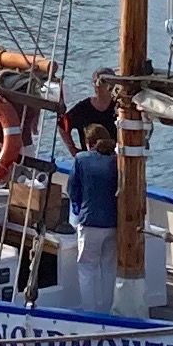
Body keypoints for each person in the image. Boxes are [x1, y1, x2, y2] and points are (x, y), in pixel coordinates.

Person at [63, 93, 121, 312]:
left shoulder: (82, 159)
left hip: (90, 222)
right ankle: (107, 309)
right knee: (108, 267)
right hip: (112, 223)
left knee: (87, 268)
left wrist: (76, 209)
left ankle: (90, 310)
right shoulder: (116, 161)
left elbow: (73, 190)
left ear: (89, 143)